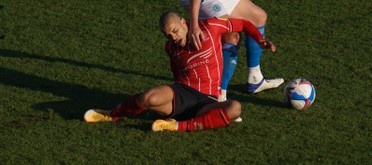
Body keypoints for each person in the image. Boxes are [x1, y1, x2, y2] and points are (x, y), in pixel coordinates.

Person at [84, 11, 276, 132]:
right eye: (167, 35)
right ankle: (111, 114)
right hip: (183, 93)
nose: (173, 37)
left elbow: (244, 24)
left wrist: (260, 40)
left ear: (184, 22)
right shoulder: (171, 48)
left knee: (234, 108)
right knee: (148, 98)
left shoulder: (210, 27)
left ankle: (176, 126)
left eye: (175, 31)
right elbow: (177, 77)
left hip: (208, 99)